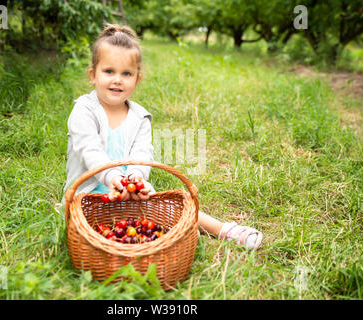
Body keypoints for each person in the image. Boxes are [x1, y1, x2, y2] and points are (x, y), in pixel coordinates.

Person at [60, 24, 263, 250]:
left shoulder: (140, 117)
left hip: (131, 195)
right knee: (101, 235)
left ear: (137, 79)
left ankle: (222, 229)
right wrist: (115, 179)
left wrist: (136, 179)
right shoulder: (84, 111)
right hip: (88, 198)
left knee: (171, 208)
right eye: (109, 71)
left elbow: (142, 154)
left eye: (126, 73)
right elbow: (90, 151)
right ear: (93, 75)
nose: (117, 80)